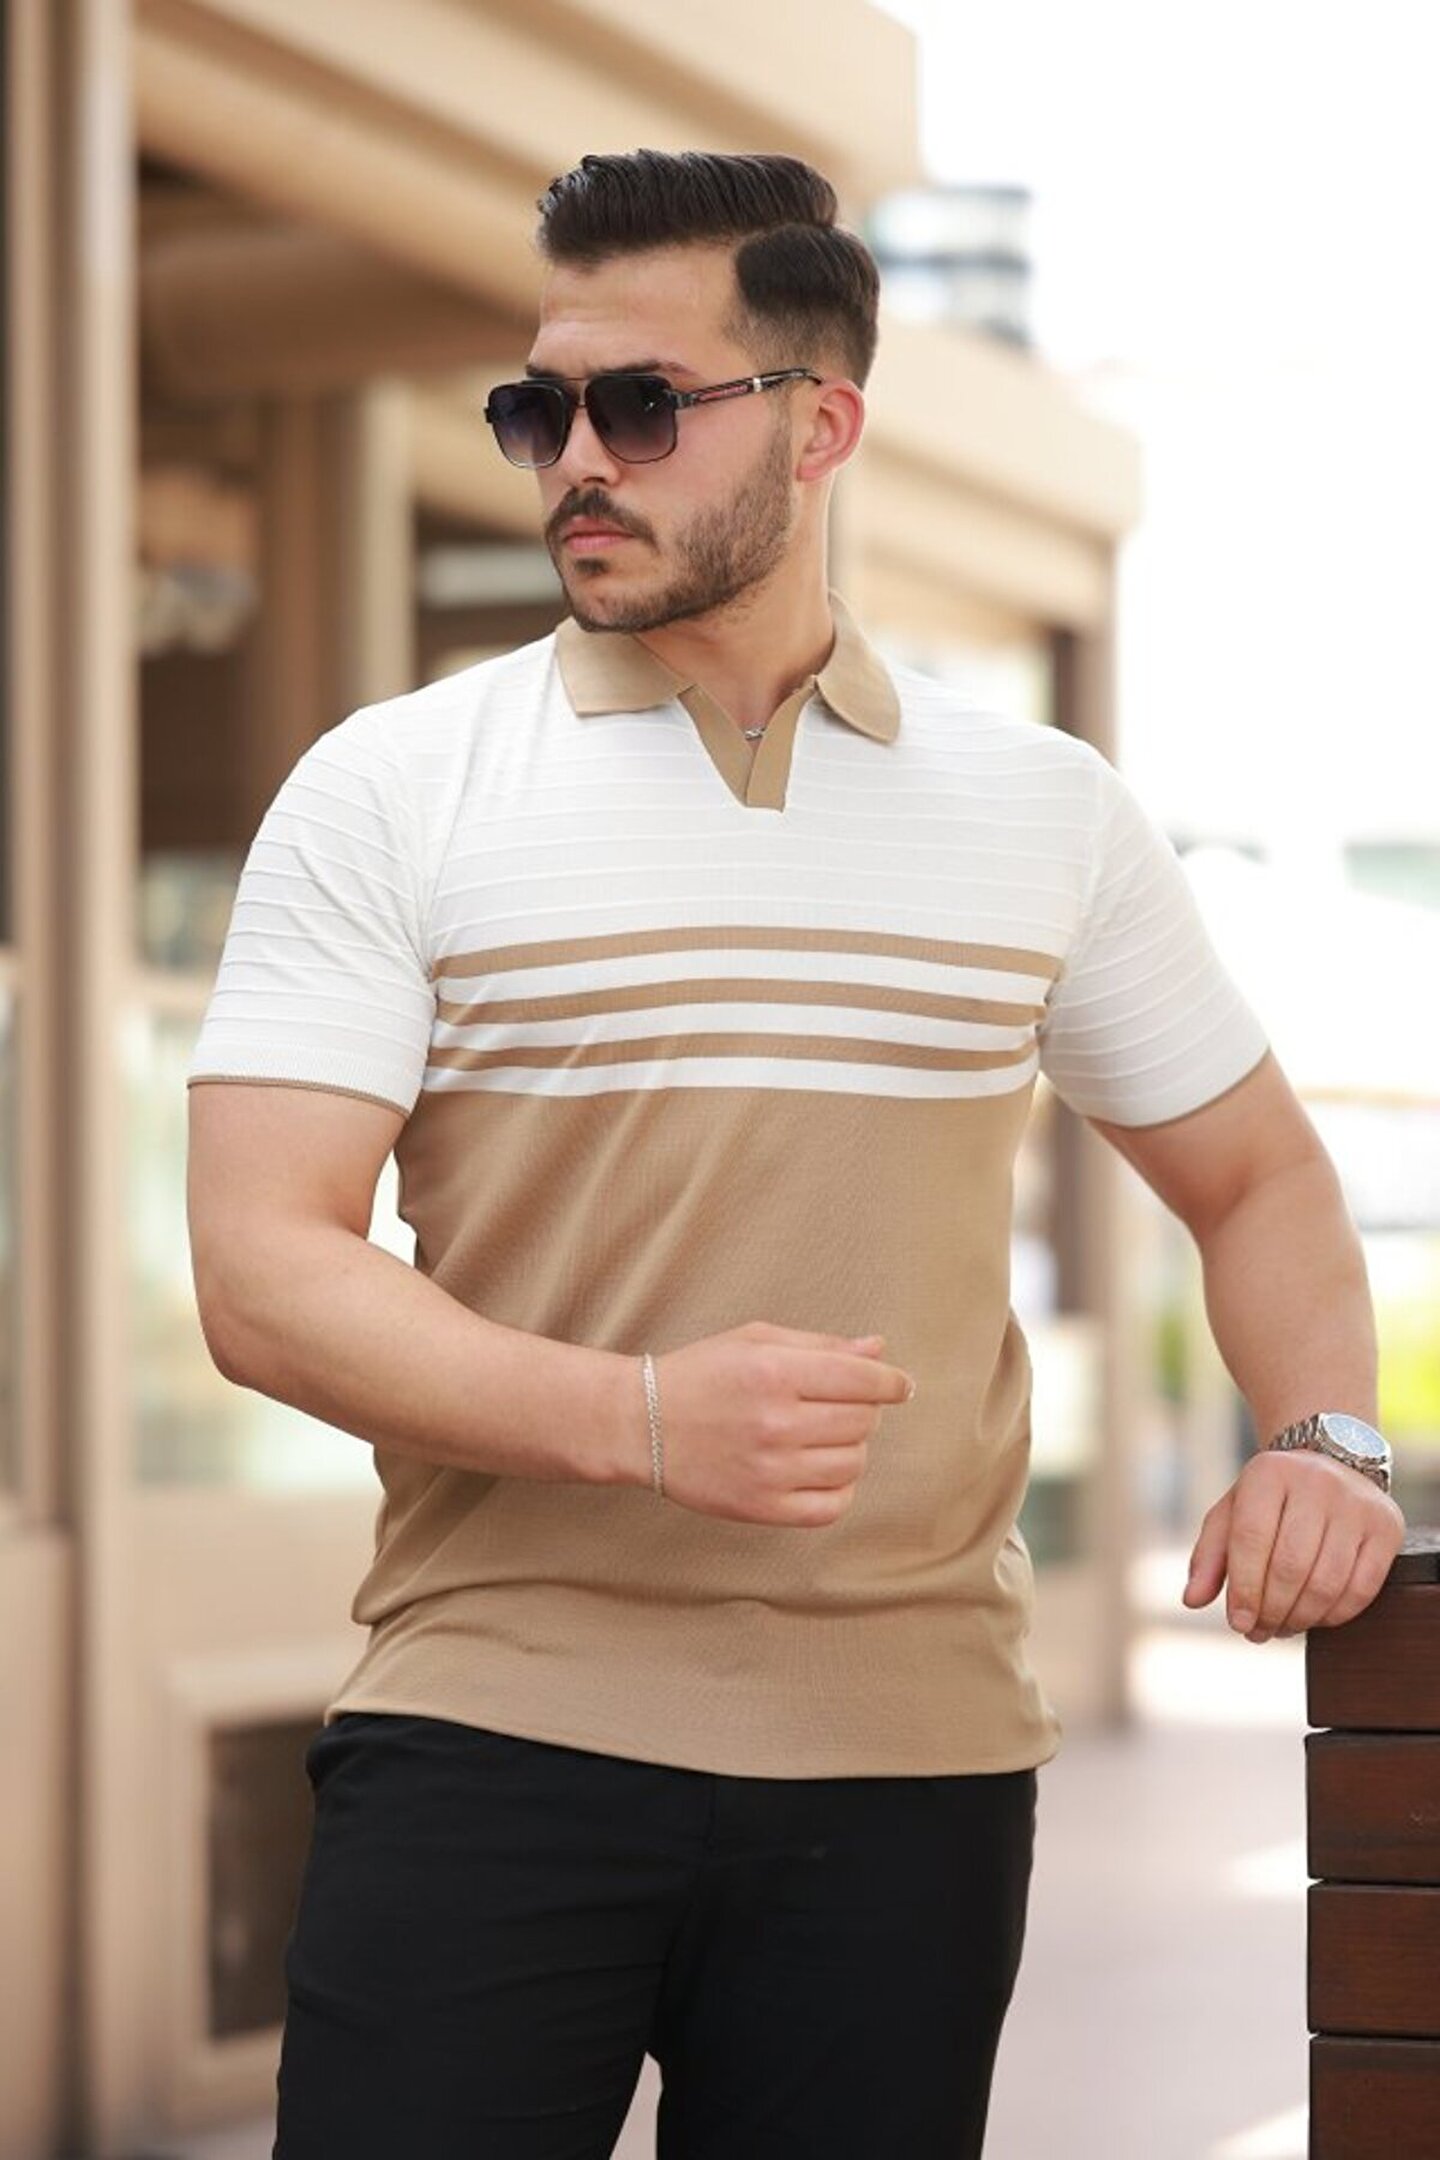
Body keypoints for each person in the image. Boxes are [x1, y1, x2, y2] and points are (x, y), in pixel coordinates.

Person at [185, 149, 1404, 2160]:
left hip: (910, 1776)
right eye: (541, 409)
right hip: (492, 1731)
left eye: (640, 405)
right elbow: (261, 1268)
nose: (579, 459)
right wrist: (641, 1418)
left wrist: (1327, 1442)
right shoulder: (390, 789)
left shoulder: (1043, 813)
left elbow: (1259, 1180)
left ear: (822, 425)